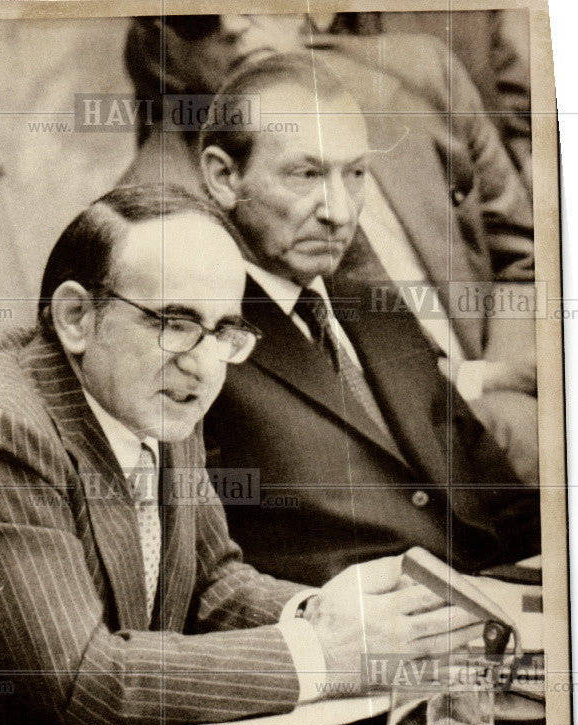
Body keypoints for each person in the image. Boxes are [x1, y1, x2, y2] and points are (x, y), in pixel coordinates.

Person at [0, 186, 478, 725]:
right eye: (174, 321)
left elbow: (212, 584)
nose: (203, 362)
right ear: (75, 316)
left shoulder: (153, 387)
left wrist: (323, 612)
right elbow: (85, 680)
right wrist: (325, 655)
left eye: (223, 331)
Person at [120, 15, 538, 481]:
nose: (234, 21)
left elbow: (525, 254)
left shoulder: (421, 75)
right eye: (195, 15)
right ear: (160, 42)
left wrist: (506, 384)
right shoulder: (157, 219)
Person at [198, 54, 540, 586]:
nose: (338, 210)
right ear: (223, 177)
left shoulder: (369, 305)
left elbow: (494, 493)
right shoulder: (196, 340)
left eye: (355, 175)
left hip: (492, 604)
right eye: (305, 174)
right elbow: (213, 576)